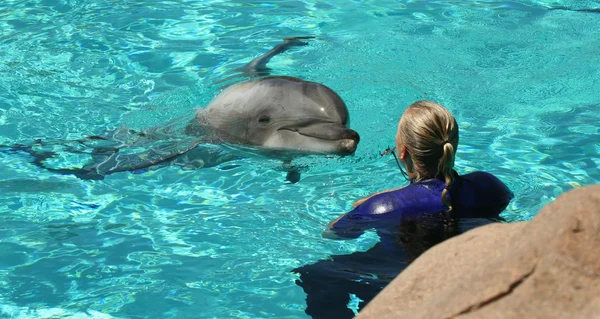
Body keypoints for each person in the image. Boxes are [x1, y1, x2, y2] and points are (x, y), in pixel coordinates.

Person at [292, 100, 514, 319]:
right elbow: (443, 195)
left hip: (401, 278)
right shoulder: (488, 185)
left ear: (403, 151)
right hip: (462, 269)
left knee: (315, 272)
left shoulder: (382, 206)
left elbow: (333, 234)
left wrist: (370, 204)